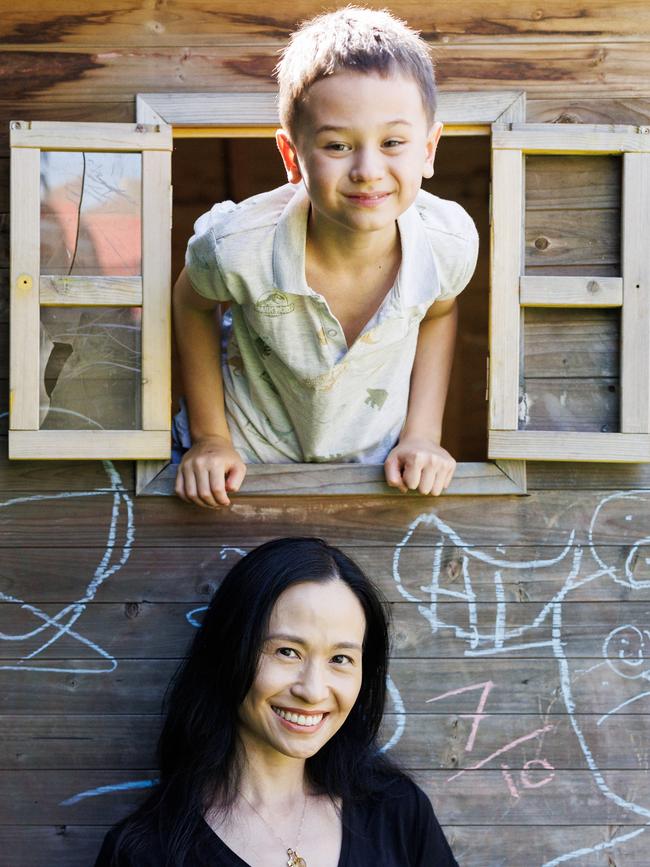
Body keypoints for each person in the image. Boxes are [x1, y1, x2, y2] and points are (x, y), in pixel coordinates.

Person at [172, 7, 478, 509]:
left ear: (428, 148)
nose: (367, 169)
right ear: (292, 157)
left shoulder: (449, 242)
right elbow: (191, 303)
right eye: (338, 145)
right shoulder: (238, 244)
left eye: (393, 143)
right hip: (244, 460)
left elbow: (440, 310)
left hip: (374, 468)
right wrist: (211, 439)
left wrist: (422, 436)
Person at [94, 537, 458, 866]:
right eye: (287, 652)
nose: (313, 691)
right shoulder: (146, 853)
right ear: (230, 651)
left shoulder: (398, 813)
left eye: (340, 659)